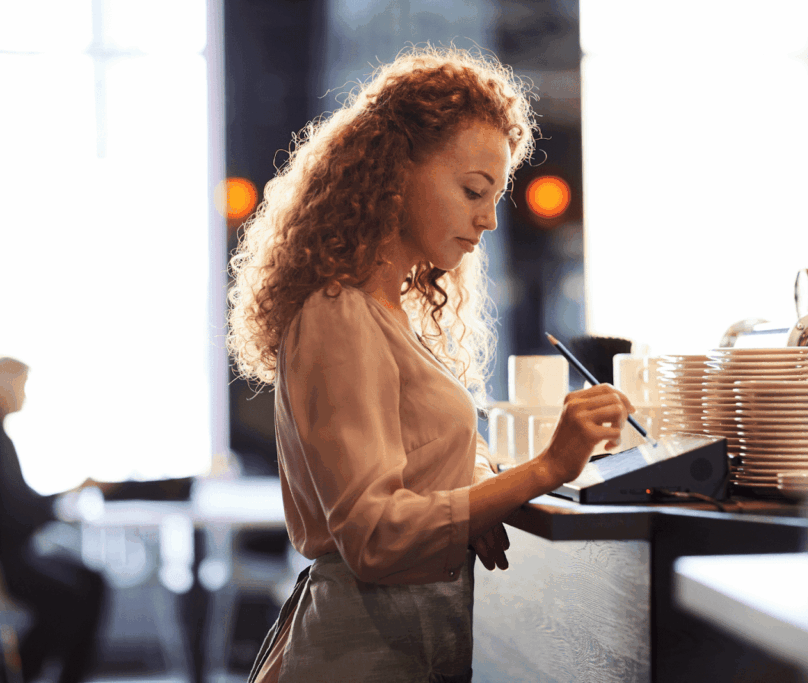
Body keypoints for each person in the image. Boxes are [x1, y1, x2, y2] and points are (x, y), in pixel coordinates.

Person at [227, 45, 635, 683]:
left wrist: (475, 506)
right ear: (393, 174)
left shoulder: (385, 313)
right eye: (474, 190)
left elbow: (416, 481)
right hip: (358, 654)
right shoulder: (340, 314)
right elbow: (373, 534)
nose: (490, 218)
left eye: (494, 195)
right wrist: (549, 467)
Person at [0, 357, 113, 683]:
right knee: (71, 600)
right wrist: (72, 492)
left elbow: (20, 504)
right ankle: (24, 669)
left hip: (22, 551)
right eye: (21, 387)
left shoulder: (4, 438)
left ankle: (64, 675)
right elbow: (18, 514)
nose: (25, 396)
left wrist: (69, 493)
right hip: (12, 561)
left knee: (92, 581)